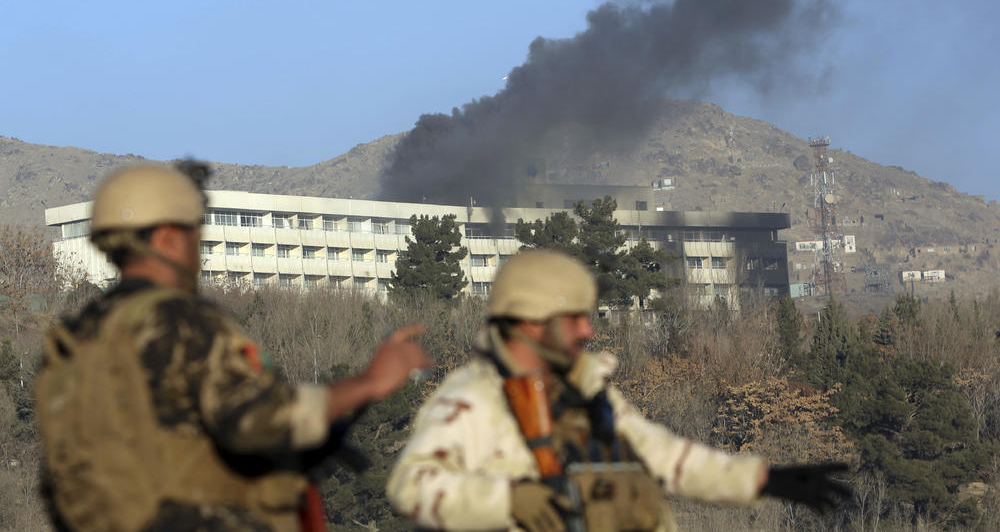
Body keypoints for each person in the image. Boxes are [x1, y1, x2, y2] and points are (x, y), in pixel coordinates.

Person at [36, 164, 431, 532]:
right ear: (168, 238)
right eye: (195, 231)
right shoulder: (179, 322)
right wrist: (370, 383)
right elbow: (260, 421)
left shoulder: (74, 339)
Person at [387, 249, 849, 532]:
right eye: (574, 318)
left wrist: (763, 479)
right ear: (529, 321)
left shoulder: (588, 392)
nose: (589, 329)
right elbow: (411, 487)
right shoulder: (473, 400)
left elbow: (667, 459)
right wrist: (509, 501)